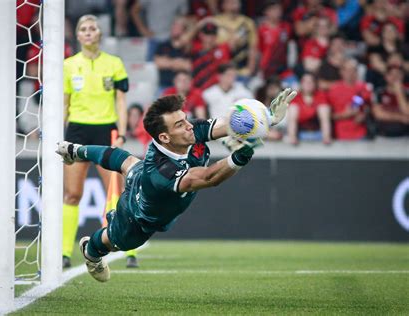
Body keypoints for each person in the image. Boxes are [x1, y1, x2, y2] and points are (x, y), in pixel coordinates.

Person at [55, 89, 297, 282]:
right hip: (138, 217)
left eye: (185, 119)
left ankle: (75, 151)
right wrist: (239, 157)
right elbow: (207, 178)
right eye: (180, 124)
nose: (189, 125)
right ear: (164, 137)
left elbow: (228, 124)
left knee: (128, 162)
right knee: (115, 239)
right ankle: (91, 251)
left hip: (150, 181)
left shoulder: (189, 132)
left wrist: (266, 119)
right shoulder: (161, 174)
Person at [62, 15, 129, 269]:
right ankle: (64, 252)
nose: (88, 32)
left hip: (106, 130)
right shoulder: (68, 65)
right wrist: (61, 134)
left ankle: (120, 245)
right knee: (72, 193)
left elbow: (121, 101)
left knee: (115, 192)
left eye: (93, 28)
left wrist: (121, 132)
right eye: (84, 29)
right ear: (78, 36)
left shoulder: (114, 64)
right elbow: (65, 104)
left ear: (99, 34)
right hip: (77, 131)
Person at [286, 73, 332, 145]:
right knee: (293, 108)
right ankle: (292, 137)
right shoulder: (296, 97)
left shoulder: (320, 95)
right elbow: (292, 119)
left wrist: (326, 137)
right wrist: (293, 137)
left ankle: (326, 137)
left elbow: (324, 118)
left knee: (323, 109)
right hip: (300, 133)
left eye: (310, 82)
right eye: (305, 82)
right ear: (301, 84)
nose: (308, 84)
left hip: (318, 133)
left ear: (315, 84)